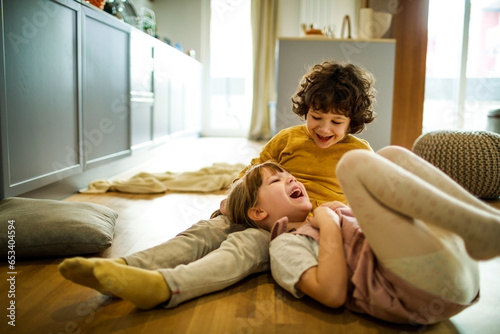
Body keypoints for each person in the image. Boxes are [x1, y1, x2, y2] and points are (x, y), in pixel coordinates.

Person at [58, 60, 376, 310]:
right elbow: (254, 170)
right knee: (203, 232)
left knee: (240, 251)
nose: (323, 128)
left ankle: (165, 287)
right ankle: (124, 268)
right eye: (316, 116)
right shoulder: (288, 138)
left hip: (295, 233)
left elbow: (368, 201)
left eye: (336, 122)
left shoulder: (359, 154)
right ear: (305, 109)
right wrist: (235, 195)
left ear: (353, 121)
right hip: (257, 209)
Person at [225, 149, 500, 325]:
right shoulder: (285, 243)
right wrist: (330, 224)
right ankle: (480, 230)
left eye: (290, 176)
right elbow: (331, 293)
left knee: (391, 154)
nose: (292, 181)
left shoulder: (328, 212)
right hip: (424, 286)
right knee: (353, 165)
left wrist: (347, 212)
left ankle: (484, 224)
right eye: (276, 181)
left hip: (457, 268)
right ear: (258, 211)